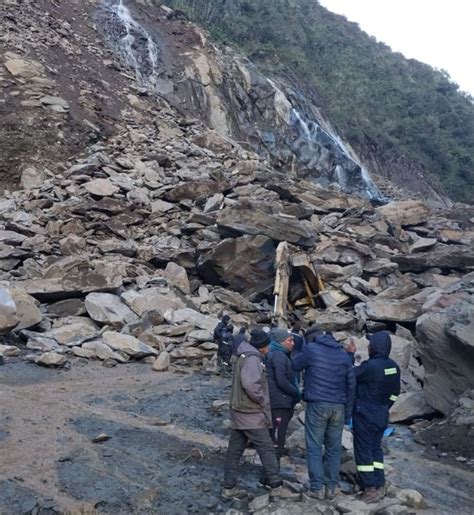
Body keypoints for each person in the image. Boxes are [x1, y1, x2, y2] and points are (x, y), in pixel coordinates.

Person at [223, 328, 295, 501]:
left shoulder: (243, 354)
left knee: (234, 451)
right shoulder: (253, 359)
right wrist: (263, 400)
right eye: (267, 345)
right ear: (262, 346)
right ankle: (276, 487)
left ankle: (228, 487)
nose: (269, 348)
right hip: (251, 412)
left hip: (239, 411)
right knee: (267, 449)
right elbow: (250, 384)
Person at [292, 325, 356, 500]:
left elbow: (295, 364)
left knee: (314, 447)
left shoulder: (311, 349)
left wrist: (298, 346)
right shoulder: (343, 354)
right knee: (334, 450)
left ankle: (317, 488)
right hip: (338, 407)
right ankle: (331, 488)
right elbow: (351, 385)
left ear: (311, 338)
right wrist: (348, 414)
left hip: (318, 405)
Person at [347, 332, 401, 504]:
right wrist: (386, 406)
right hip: (381, 414)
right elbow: (395, 393)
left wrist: (349, 355)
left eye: (370, 344)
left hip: (365, 415)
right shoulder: (394, 366)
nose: (368, 347)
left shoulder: (370, 367)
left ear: (375, 347)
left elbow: (350, 375)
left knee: (363, 452)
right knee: (376, 449)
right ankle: (379, 483)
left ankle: (369, 489)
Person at [266, 328, 301, 465]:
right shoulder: (279, 356)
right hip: (279, 403)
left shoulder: (279, 354)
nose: (293, 343)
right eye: (289, 340)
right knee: (277, 439)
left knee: (276, 438)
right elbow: (281, 380)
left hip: (280, 402)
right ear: (281, 342)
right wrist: (296, 392)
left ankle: (271, 472)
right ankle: (272, 474)